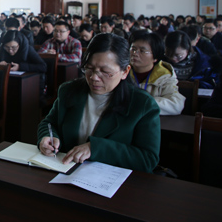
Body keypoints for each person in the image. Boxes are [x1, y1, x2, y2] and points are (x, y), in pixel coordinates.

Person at [37, 33, 160, 173]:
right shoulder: (69, 91)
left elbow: (147, 159)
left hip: (112, 179)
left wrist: (95, 148)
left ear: (125, 72)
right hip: (65, 171)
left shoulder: (142, 104)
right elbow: (49, 123)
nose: (94, 77)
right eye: (89, 68)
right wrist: (47, 136)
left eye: (105, 72)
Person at [129, 30, 185, 115]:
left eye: (142, 51)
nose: (135, 53)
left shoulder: (164, 76)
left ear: (155, 57)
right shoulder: (122, 72)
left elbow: (176, 104)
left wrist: (143, 102)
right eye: (133, 49)